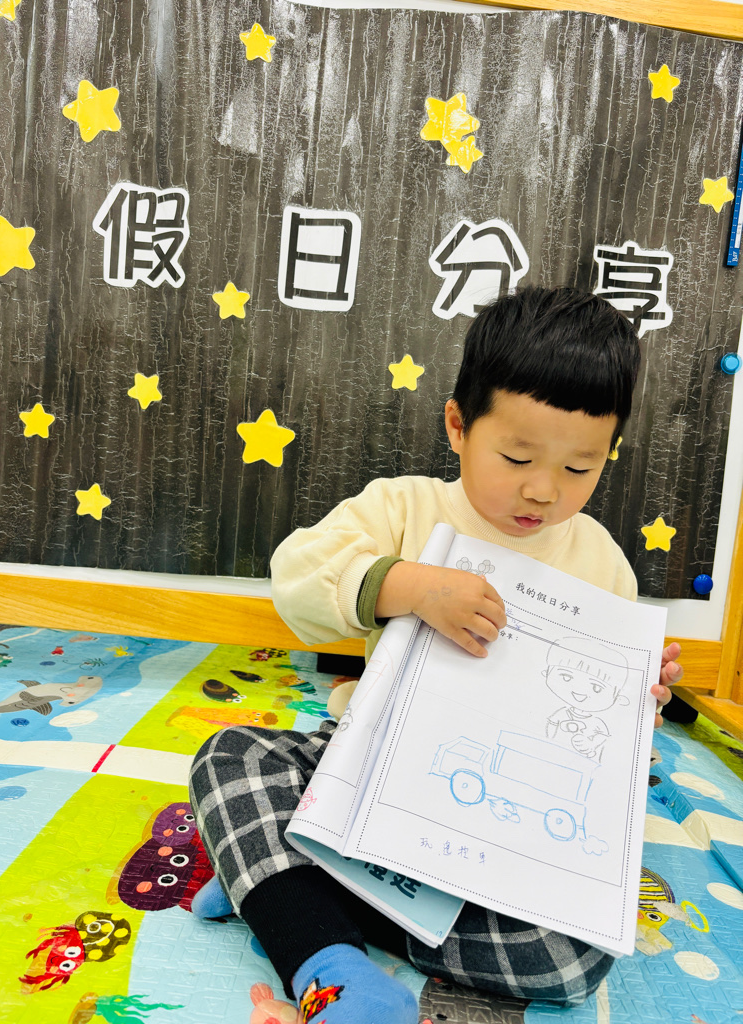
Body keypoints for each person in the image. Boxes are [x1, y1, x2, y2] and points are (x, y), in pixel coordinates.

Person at [189, 286, 682, 1024]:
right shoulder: (404, 508)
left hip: (500, 826)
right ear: (458, 425)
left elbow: (595, 738)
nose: (543, 490)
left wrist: (638, 700)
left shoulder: (603, 562)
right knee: (230, 756)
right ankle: (330, 965)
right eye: (516, 456)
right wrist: (409, 586)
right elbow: (296, 576)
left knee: (578, 955)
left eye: (580, 468)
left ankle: (284, 892)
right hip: (364, 768)